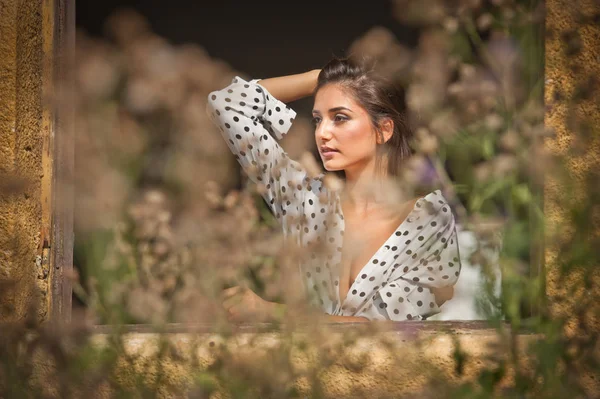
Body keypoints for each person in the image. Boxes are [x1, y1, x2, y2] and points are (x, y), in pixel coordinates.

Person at [206, 57, 461, 323]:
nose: (322, 133)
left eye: (340, 118)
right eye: (318, 120)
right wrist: (322, 79)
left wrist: (269, 312)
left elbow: (384, 330)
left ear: (383, 130)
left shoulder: (428, 219)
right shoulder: (305, 199)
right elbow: (226, 104)